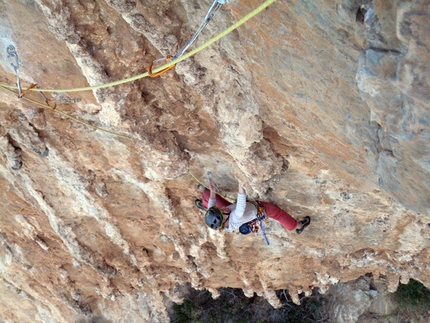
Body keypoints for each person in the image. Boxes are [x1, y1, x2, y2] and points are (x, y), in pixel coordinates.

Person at [196, 180, 311, 234]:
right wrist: (240, 183)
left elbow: (213, 202)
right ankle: (297, 226)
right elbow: (241, 204)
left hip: (234, 210)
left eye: (219, 209)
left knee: (207, 195)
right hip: (257, 209)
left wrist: (212, 190)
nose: (222, 208)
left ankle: (204, 204)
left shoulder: (223, 216)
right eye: (221, 211)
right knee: (277, 213)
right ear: (224, 219)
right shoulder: (235, 218)